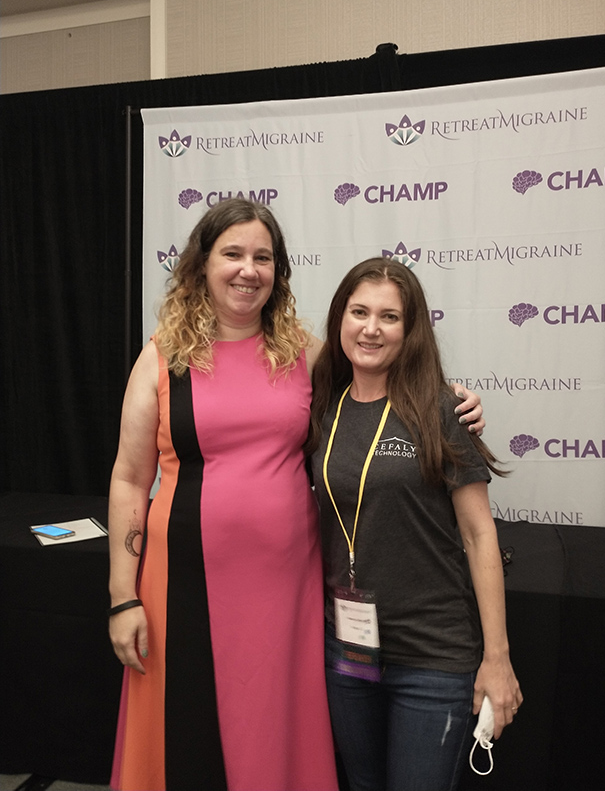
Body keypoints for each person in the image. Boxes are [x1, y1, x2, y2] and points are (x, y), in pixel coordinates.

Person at [108, 199, 484, 791]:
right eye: (232, 253)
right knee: (187, 736)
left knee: (275, 730)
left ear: (279, 272)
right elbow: (130, 479)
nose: (247, 269)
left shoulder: (306, 356)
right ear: (201, 265)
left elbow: (384, 383)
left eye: (263, 257)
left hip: (289, 589)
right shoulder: (162, 358)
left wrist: (454, 402)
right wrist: (121, 597)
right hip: (183, 582)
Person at [307, 257, 522, 791]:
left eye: (389, 316)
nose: (371, 329)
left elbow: (478, 534)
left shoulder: (442, 410)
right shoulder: (320, 409)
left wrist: (497, 658)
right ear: (340, 319)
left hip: (433, 657)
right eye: (359, 312)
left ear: (411, 329)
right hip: (349, 650)